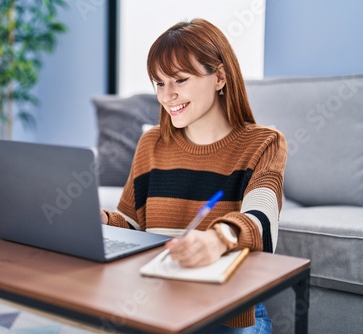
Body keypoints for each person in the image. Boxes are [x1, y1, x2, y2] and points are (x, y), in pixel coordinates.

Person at [100, 18, 287, 333]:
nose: (167, 95)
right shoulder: (151, 143)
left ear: (219, 77)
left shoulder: (264, 143)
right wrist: (100, 221)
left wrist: (218, 239)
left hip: (230, 317)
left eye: (180, 80)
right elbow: (131, 224)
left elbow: (261, 221)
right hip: (158, 308)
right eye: (159, 83)